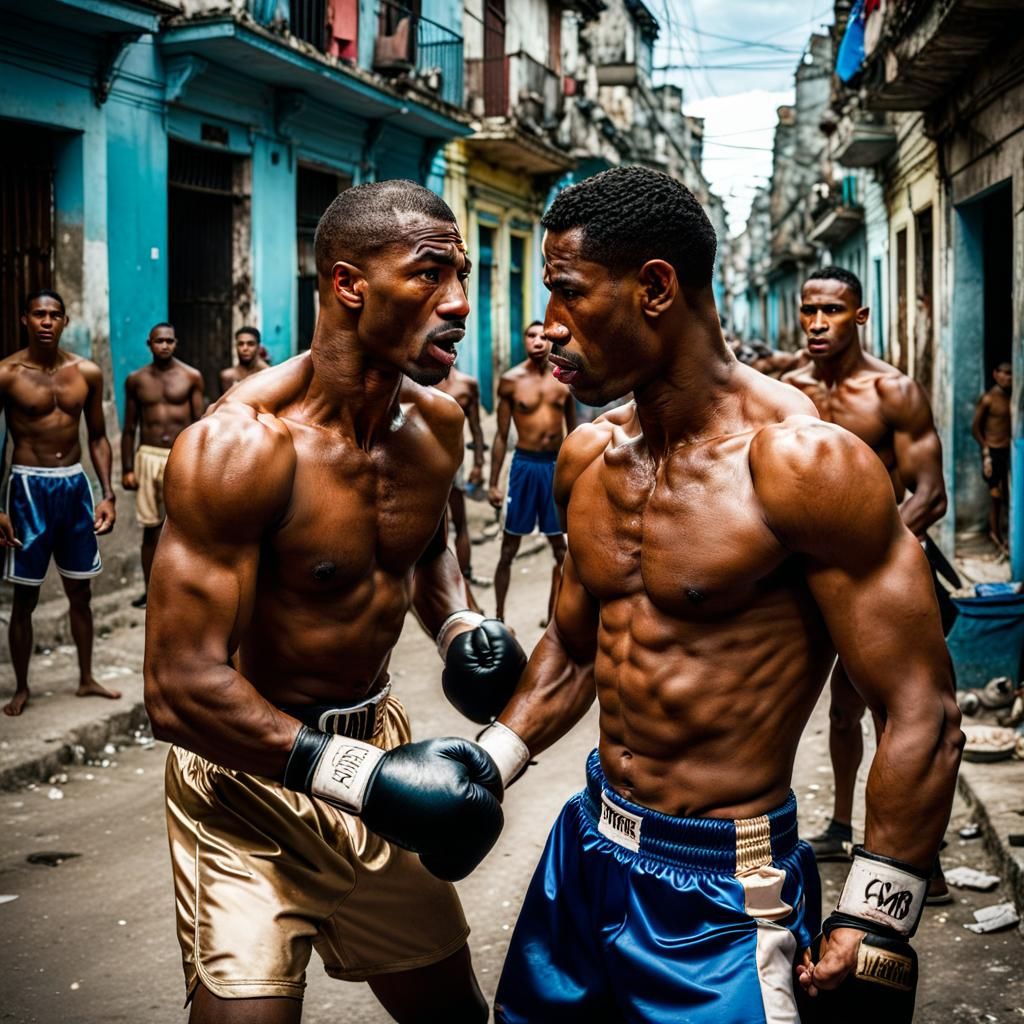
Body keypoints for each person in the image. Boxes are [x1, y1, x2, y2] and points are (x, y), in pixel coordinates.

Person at [465, 167, 962, 1022]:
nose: (547, 331)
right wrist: (489, 760)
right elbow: (575, 646)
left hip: (728, 892)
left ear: (655, 287)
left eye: (570, 295)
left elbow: (921, 707)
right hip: (585, 851)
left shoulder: (805, 466)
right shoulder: (593, 455)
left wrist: (879, 913)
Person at [143, 180, 529, 1024]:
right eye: (430, 275)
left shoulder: (435, 425)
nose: (459, 301)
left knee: (455, 1015)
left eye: (459, 274)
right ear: (351, 285)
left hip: (375, 750)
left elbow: (425, 547)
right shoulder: (240, 447)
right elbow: (178, 689)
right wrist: (362, 778)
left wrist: (458, 619)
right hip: (247, 782)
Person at [782, 267, 955, 901]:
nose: (818, 323)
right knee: (840, 707)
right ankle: (841, 824)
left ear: (859, 316)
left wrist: (868, 555)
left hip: (882, 573)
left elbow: (929, 495)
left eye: (832, 310)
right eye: (809, 310)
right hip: (811, 576)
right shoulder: (787, 392)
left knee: (902, 711)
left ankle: (917, 857)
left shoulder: (891, 391)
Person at [0, 290, 118, 716]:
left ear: (65, 321)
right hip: (27, 489)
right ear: (24, 319)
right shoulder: (8, 374)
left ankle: (86, 678)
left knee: (80, 591)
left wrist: (107, 493)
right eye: (38, 314)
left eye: (54, 315)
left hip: (73, 487)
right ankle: (21, 687)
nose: (46, 321)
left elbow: (99, 437)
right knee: (25, 597)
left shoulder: (85, 372)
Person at [488, 320, 576, 624]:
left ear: (550, 342)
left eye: (543, 336)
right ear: (525, 341)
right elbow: (501, 436)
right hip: (524, 467)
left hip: (554, 467)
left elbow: (575, 433)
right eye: (531, 335)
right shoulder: (511, 380)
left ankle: (556, 615)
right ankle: (498, 618)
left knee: (560, 548)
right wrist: (493, 483)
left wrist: (576, 477)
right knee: (509, 547)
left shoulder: (563, 381)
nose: (538, 341)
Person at [122, 323, 204, 609]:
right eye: (159, 341)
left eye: (169, 341)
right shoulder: (136, 380)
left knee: (185, 525)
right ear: (149, 343)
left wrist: (199, 463)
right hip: (147, 455)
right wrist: (127, 468)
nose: (164, 346)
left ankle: (184, 592)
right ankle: (150, 592)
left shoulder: (191, 376)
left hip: (180, 455)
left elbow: (199, 424)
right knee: (151, 528)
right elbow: (129, 427)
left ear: (176, 343)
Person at [435, 366, 488, 590]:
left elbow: (476, 428)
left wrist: (478, 463)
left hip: (454, 461)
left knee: (460, 521)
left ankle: (464, 579)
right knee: (435, 526)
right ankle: (437, 581)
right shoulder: (421, 380)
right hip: (424, 461)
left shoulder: (467, 385)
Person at [972, 361, 1012, 554]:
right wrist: (986, 452)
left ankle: (1004, 535)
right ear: (995, 374)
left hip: (1008, 452)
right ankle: (996, 536)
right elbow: (975, 428)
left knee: (1007, 496)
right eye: (1003, 373)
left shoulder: (1013, 398)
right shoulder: (989, 398)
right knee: (995, 496)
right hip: (993, 452)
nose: (1007, 377)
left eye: (1010, 374)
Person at [219, 325, 269, 395]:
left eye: (250, 344)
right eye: (240, 344)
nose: (245, 348)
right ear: (236, 347)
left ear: (258, 347)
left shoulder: (267, 374)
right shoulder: (228, 377)